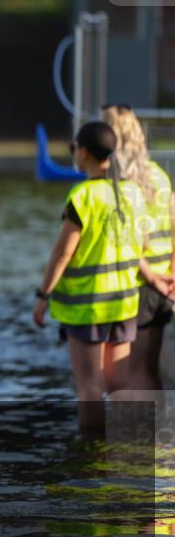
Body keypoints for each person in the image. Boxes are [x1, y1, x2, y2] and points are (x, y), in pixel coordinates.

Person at [32, 121, 172, 437]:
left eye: (73, 150)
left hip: (88, 307)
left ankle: (92, 457)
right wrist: (152, 276)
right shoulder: (133, 193)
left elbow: (62, 254)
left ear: (83, 152)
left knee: (89, 385)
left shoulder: (83, 196)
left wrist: (43, 296)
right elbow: (140, 246)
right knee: (117, 383)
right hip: (123, 303)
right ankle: (130, 442)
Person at [102, 104, 175, 391]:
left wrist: (150, 275)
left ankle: (135, 434)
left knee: (131, 373)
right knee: (150, 369)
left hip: (138, 281)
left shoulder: (119, 182)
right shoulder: (158, 174)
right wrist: (170, 272)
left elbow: (125, 239)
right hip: (163, 282)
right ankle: (159, 434)